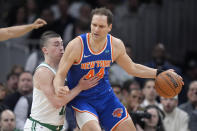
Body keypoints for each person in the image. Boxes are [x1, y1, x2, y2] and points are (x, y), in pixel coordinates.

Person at [53, 7, 184, 131]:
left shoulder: (115, 45)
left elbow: (132, 68)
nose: (96, 30)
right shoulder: (77, 45)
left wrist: (159, 73)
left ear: (109, 27)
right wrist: (59, 88)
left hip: (106, 97)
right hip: (82, 99)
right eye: (94, 25)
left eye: (101, 26)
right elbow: (60, 74)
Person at [24, 31, 99, 131]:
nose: (61, 47)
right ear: (45, 50)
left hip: (57, 127)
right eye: (56, 45)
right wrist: (80, 87)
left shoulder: (63, 69)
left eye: (61, 44)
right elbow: (57, 103)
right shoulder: (43, 71)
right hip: (39, 127)